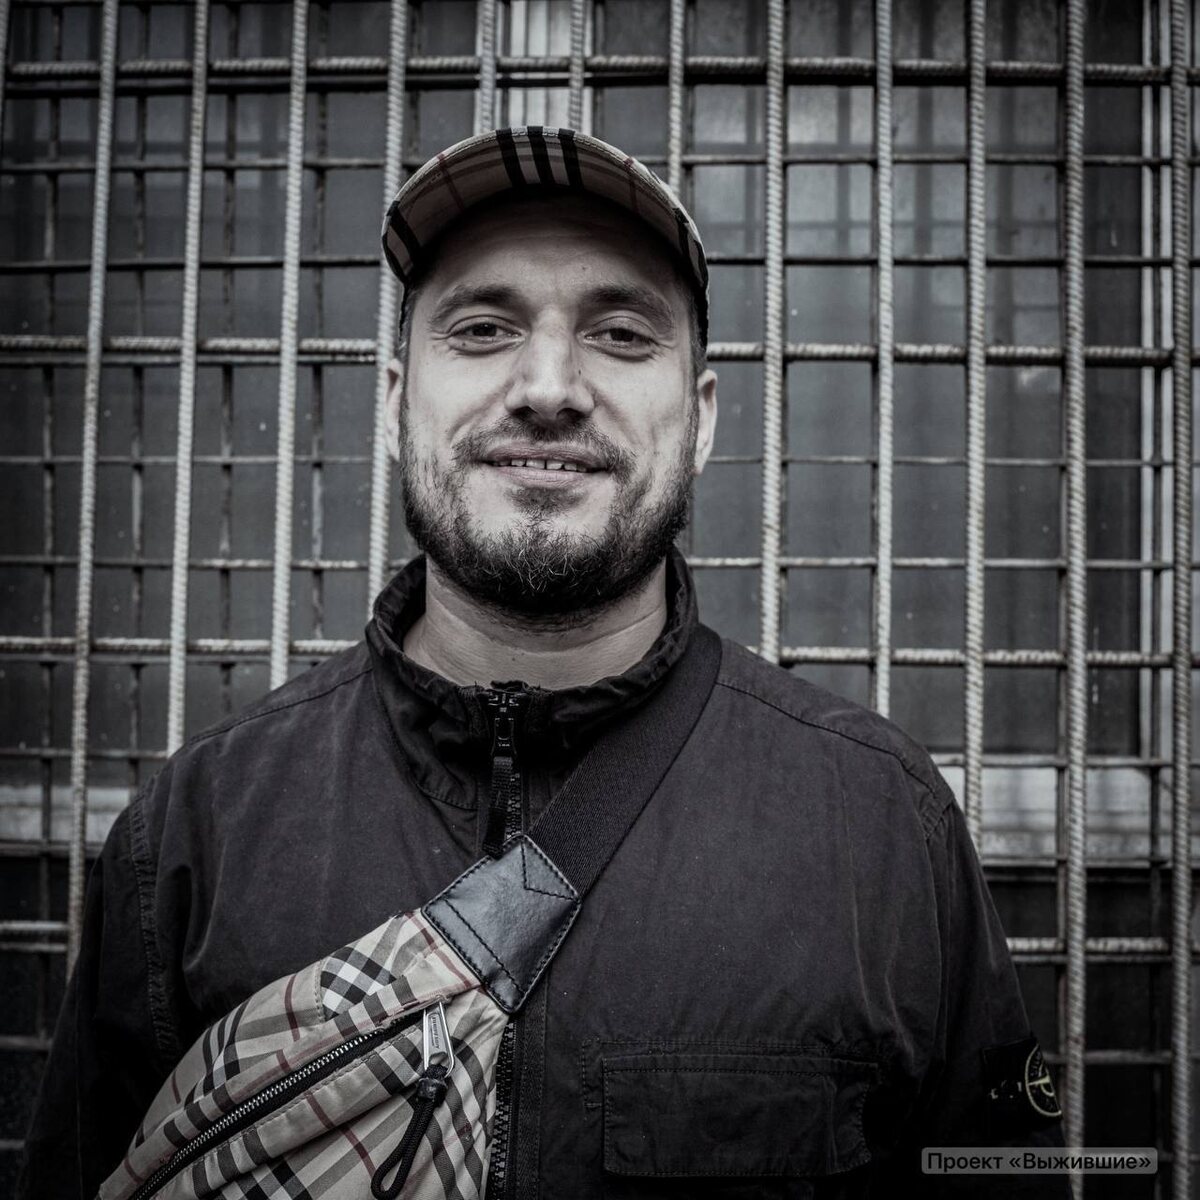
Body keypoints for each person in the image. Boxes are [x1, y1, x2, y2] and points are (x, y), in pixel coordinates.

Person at [20, 127, 1066, 1199]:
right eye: (483, 328)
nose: (550, 386)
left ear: (702, 420)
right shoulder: (199, 831)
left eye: (621, 333)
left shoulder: (879, 826)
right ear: (395, 403)